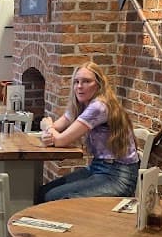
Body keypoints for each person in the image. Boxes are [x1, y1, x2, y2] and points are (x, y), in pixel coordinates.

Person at [34, 61, 139, 203]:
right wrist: (51, 130)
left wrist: (48, 128)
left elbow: (60, 140)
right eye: (76, 82)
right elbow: (57, 127)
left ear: (99, 84)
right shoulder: (82, 104)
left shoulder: (99, 106)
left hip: (118, 175)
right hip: (98, 168)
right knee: (43, 192)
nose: (79, 87)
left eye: (86, 81)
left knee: (51, 197)